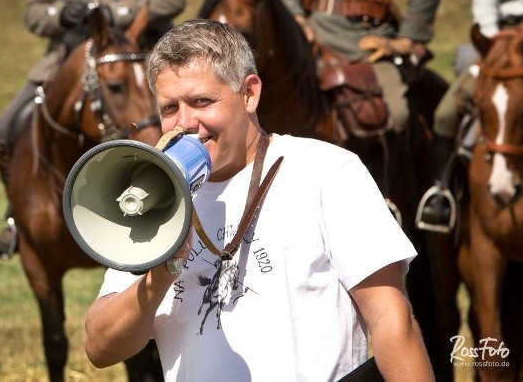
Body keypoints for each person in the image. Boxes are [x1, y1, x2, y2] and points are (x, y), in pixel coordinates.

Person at [83, 19, 434, 381]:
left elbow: (392, 321)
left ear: (249, 93)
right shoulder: (155, 196)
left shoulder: (327, 172)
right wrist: (160, 277)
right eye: (170, 108)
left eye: (202, 101)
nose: (185, 123)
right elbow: (100, 347)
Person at [0, 0, 186, 258]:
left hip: (136, 57)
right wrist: (62, 15)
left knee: (183, 119)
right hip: (71, 60)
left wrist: (114, 14)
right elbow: (34, 12)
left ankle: (189, 202)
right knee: (4, 127)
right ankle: (16, 217)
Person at [271, 0, 441, 136]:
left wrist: (406, 40)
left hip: (366, 45)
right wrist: (298, 19)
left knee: (396, 115)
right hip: (315, 40)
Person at [416, 0, 523, 231]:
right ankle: (441, 194)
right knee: (445, 114)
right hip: (499, 42)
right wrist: (496, 48)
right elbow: (485, 8)